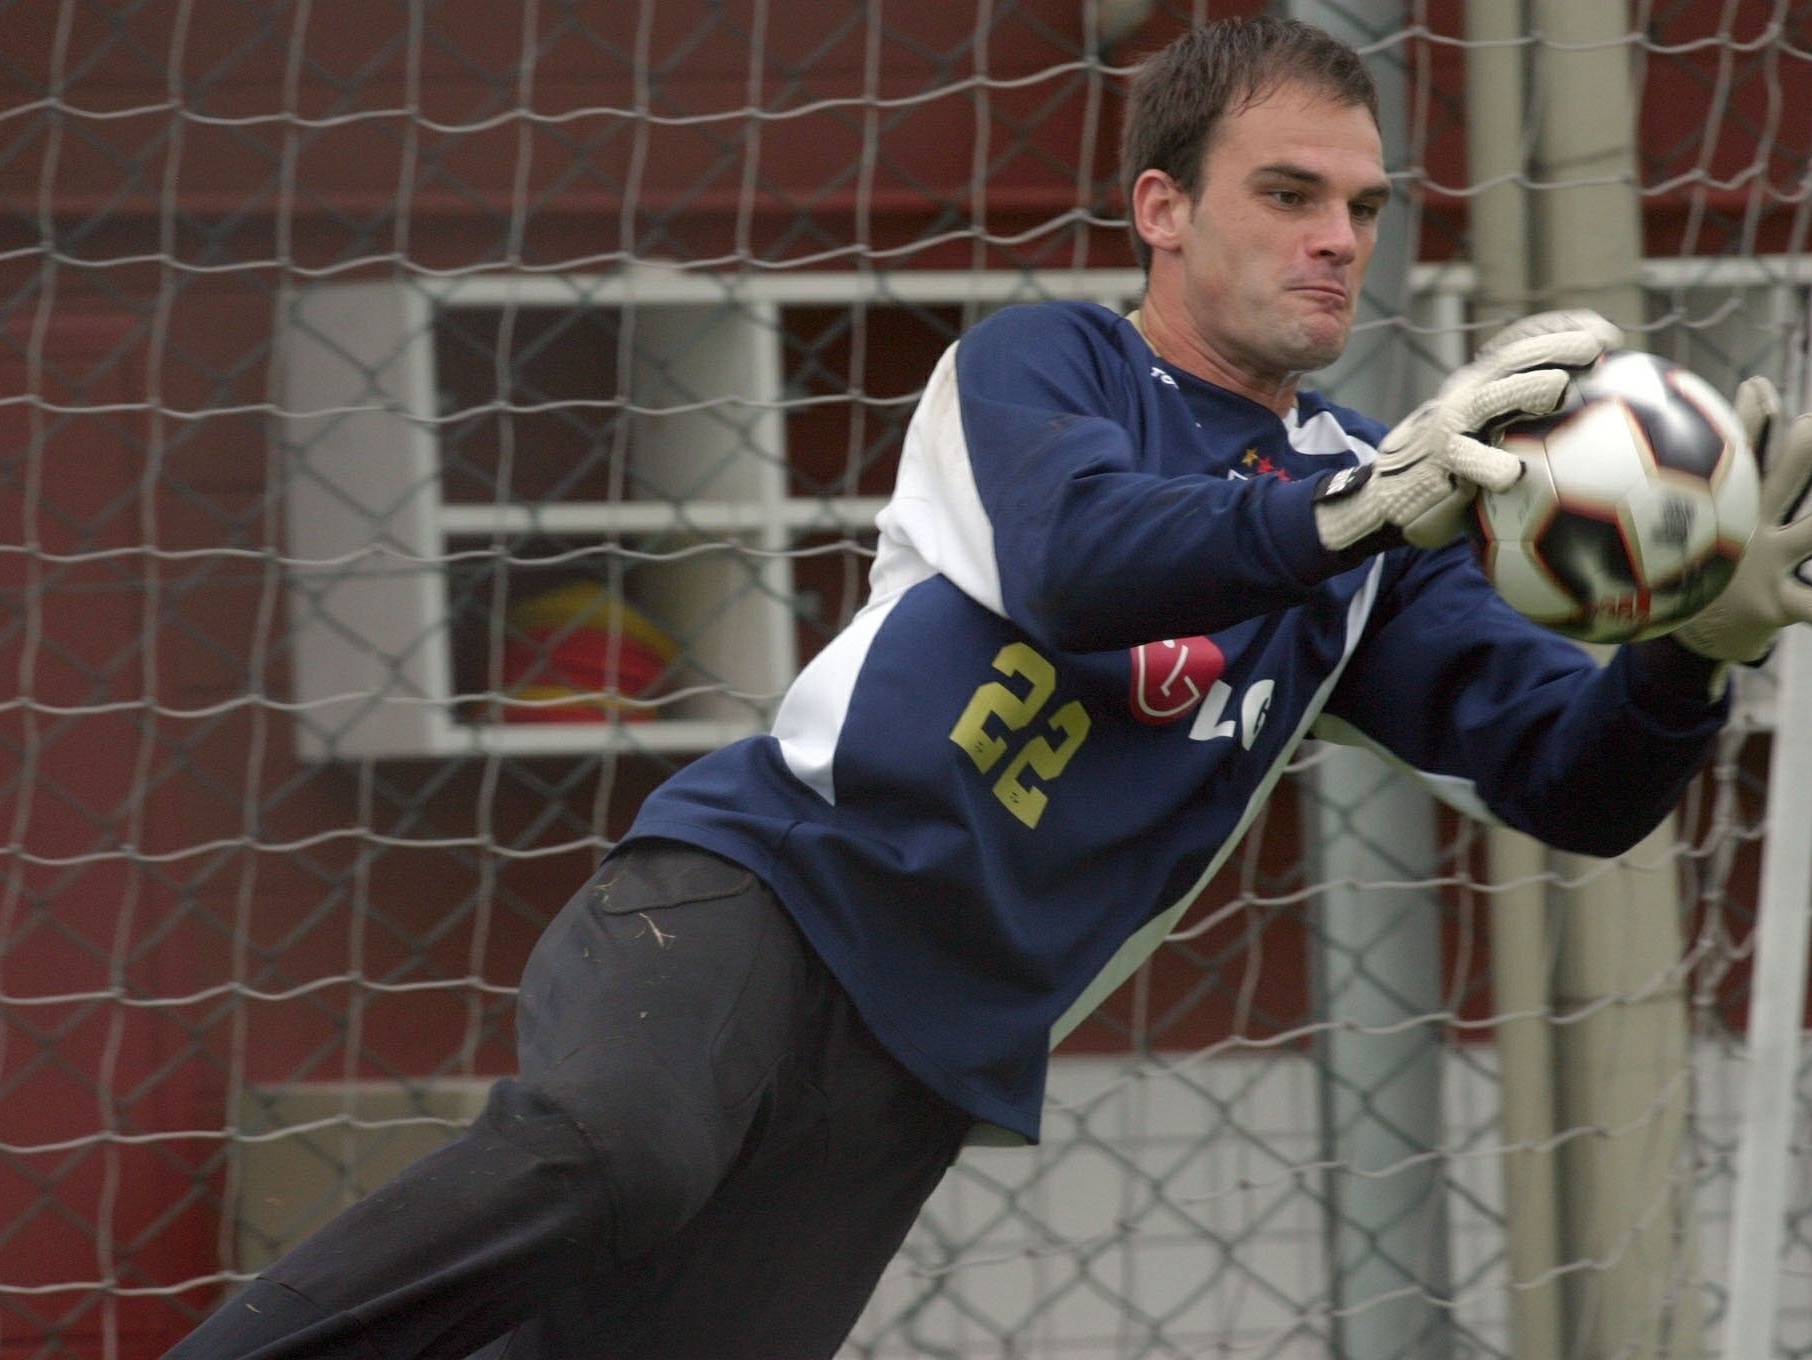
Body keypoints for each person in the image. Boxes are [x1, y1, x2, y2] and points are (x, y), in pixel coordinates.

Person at [165, 15, 1812, 1360]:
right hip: (764, 898)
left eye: (1364, 208)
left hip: (927, 1055)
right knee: (610, 1156)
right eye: (1290, 193)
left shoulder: (1372, 538)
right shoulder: (1044, 369)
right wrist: (1364, 505)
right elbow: (1086, 562)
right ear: (1163, 207)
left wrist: (1697, 646)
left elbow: (1577, 787)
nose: (1337, 242)